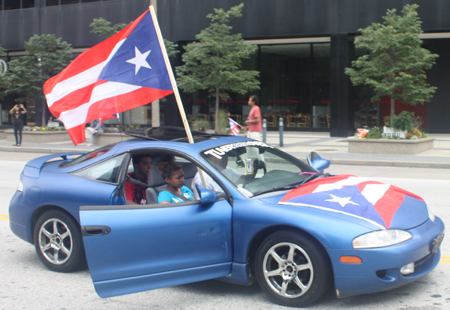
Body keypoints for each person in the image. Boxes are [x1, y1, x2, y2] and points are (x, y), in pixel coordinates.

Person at [191, 154, 260, 199]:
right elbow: (200, 201)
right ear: (212, 158)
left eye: (226, 157)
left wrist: (255, 168)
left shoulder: (227, 170)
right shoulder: (202, 177)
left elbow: (246, 179)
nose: (226, 160)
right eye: (222, 157)